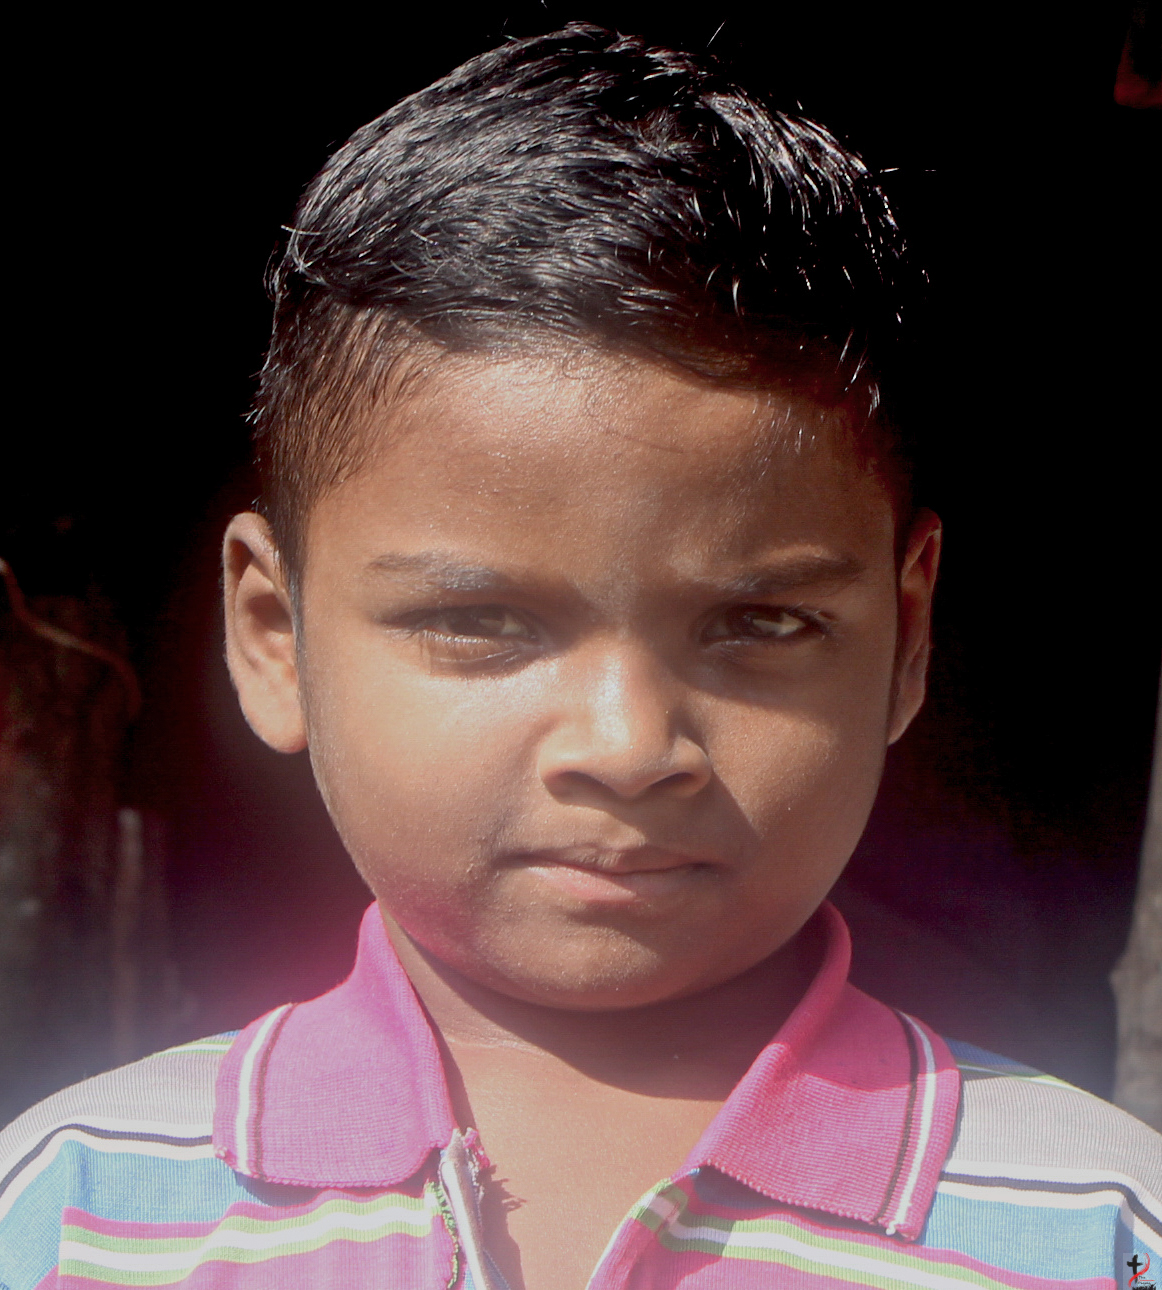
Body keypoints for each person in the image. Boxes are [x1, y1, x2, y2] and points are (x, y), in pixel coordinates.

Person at [1, 24, 1158, 1290]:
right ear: (274, 635)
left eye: (761, 623)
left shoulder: (1097, 1225)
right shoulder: (76, 1207)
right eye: (480, 623)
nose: (628, 748)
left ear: (907, 639)